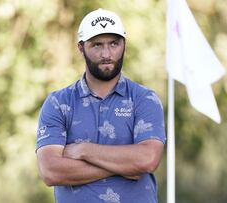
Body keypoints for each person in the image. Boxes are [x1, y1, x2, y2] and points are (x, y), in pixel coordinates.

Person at [35, 8, 166, 203]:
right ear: (81, 47)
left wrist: (84, 150)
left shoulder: (144, 99)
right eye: (97, 45)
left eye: (114, 44)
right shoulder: (58, 103)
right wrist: (125, 167)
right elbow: (51, 172)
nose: (107, 54)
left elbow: (147, 159)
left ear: (124, 44)